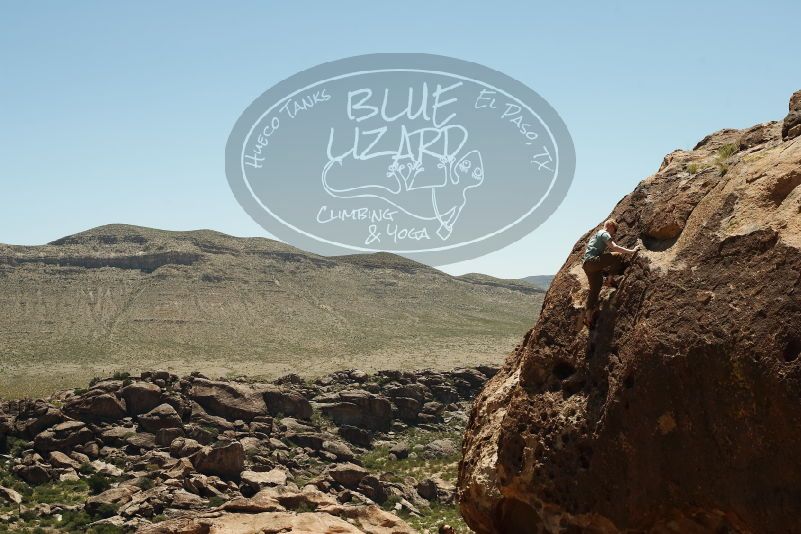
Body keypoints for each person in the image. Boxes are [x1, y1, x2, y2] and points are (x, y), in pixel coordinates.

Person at [582, 219, 639, 327]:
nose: (615, 233)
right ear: (610, 226)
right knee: (617, 255)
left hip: (587, 265)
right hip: (593, 261)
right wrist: (632, 251)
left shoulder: (597, 234)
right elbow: (614, 247)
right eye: (615, 230)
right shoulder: (605, 233)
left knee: (595, 289)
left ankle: (588, 317)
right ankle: (609, 279)